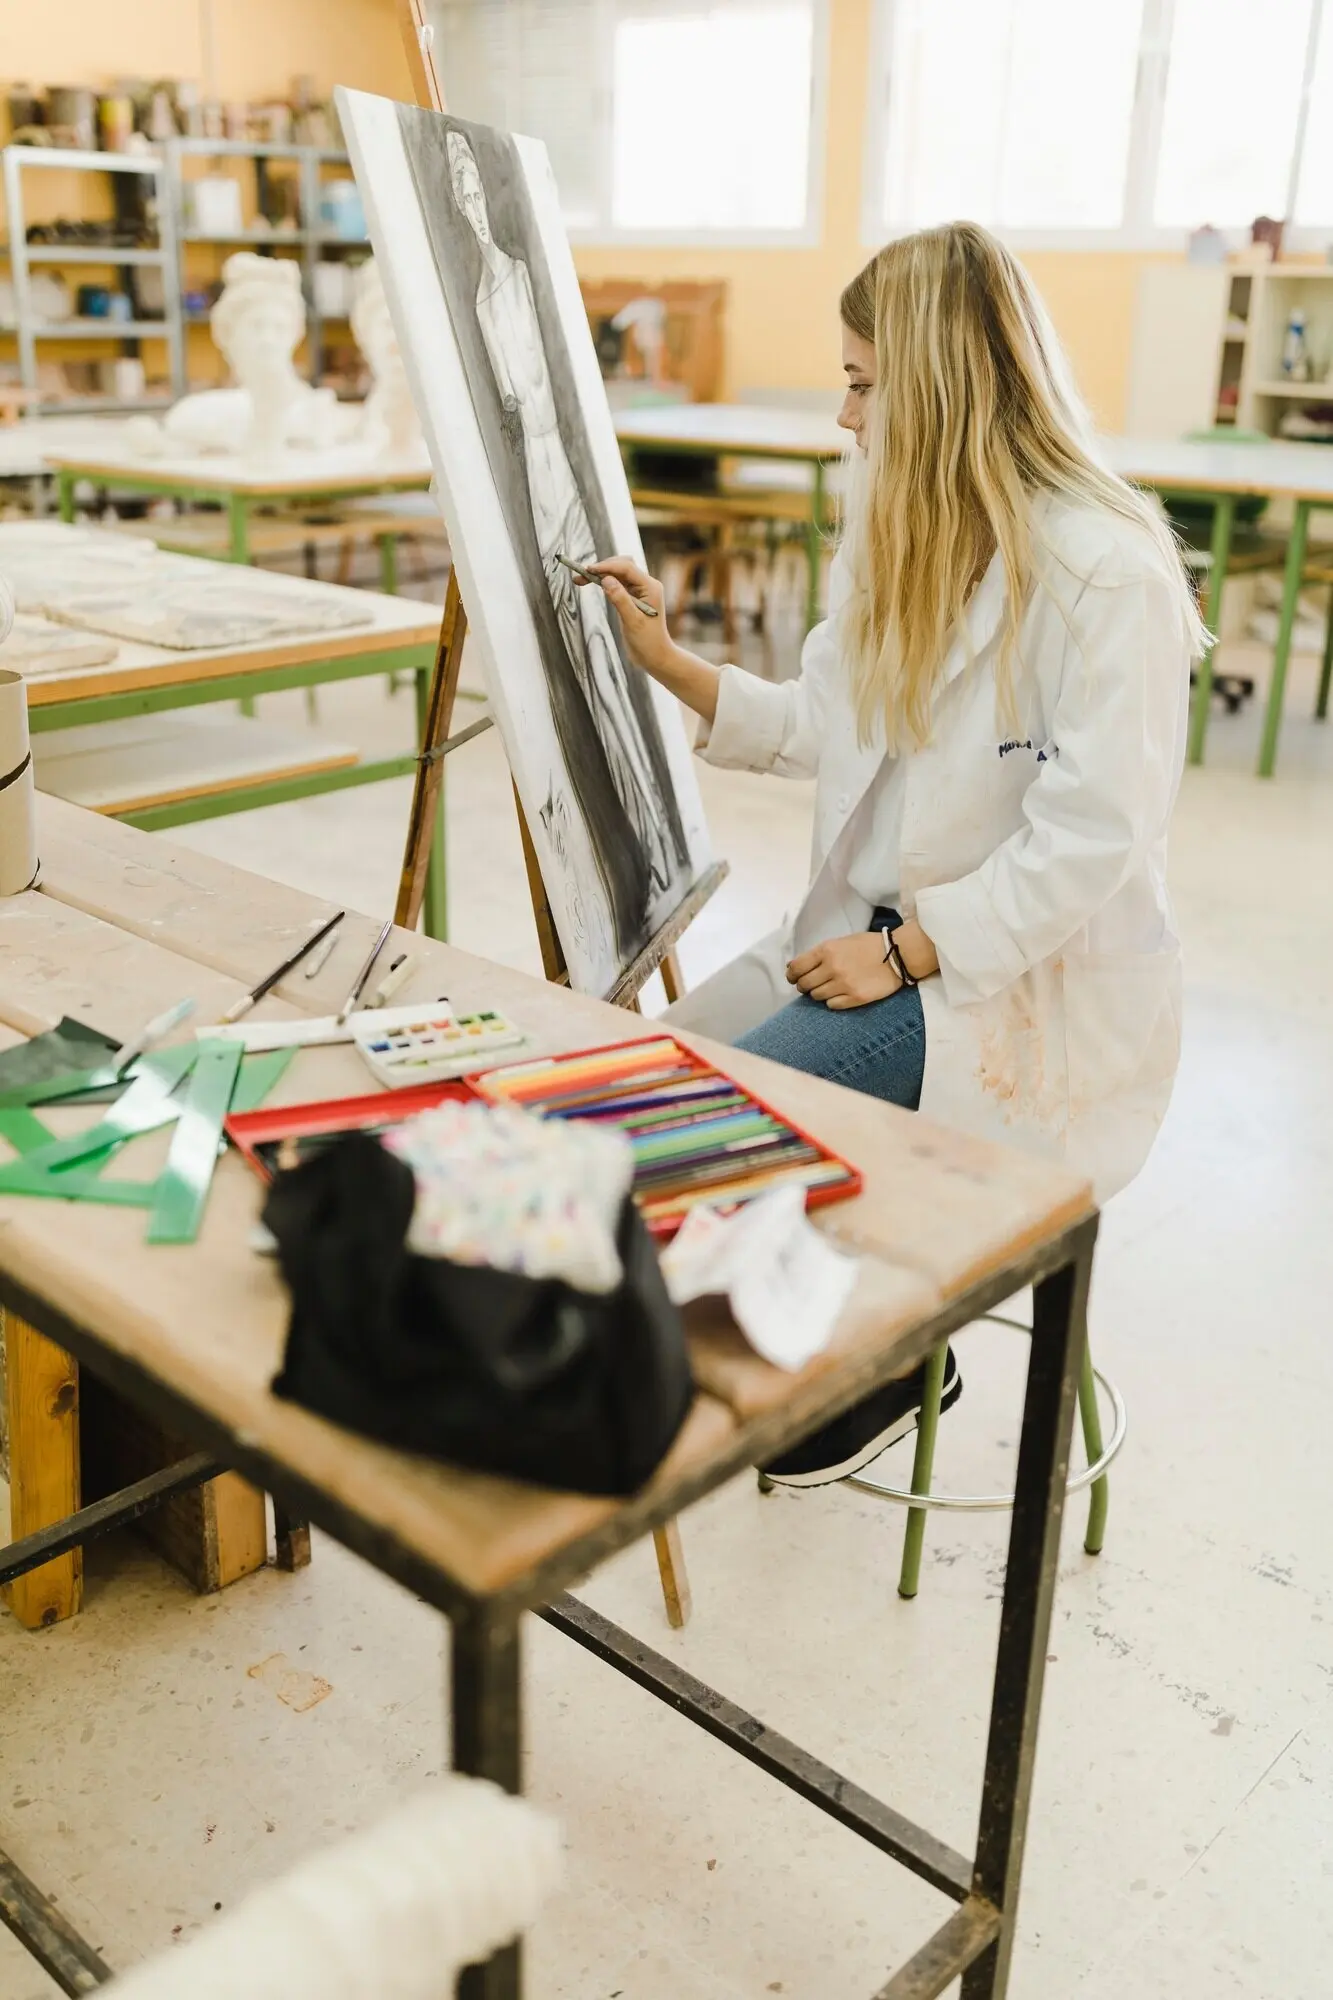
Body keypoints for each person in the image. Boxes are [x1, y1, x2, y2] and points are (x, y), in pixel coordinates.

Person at [583, 222, 1203, 1488]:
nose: (844, 416)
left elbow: (1093, 835)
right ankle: (843, 1338)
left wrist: (909, 950)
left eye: (864, 382)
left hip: (1006, 983)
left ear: (937, 385)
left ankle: (890, 1358)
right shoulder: (907, 524)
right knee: (633, 1101)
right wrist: (670, 662)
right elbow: (829, 717)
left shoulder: (1103, 572)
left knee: (710, 1130)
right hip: (857, 938)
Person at [445, 128, 676, 904]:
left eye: (475, 185)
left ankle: (652, 838)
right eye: (457, 191)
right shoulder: (478, 295)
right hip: (538, 500)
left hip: (564, 490)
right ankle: (634, 856)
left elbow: (538, 411)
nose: (470, 201)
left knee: (609, 672)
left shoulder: (517, 281)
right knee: (579, 678)